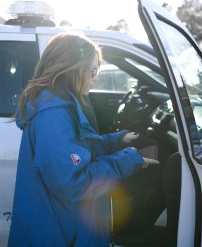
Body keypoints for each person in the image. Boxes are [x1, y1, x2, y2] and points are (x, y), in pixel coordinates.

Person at [8, 32, 159, 247]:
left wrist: (117, 140)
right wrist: (128, 160)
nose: (96, 77)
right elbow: (75, 182)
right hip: (62, 235)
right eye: (93, 70)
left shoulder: (65, 104)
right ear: (71, 69)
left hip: (67, 228)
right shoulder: (54, 115)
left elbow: (80, 148)